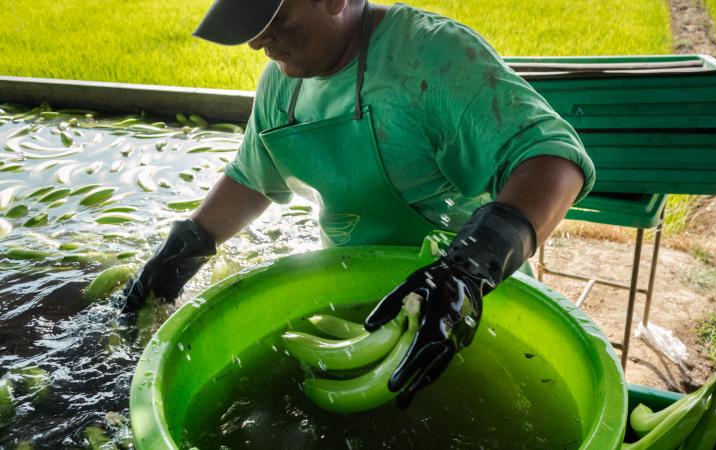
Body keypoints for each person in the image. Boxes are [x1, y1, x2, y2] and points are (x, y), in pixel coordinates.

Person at [121, 0, 595, 408]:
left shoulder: (432, 56)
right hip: (353, 302)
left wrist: (468, 272)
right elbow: (253, 177)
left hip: (464, 307)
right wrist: (185, 247)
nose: (258, 41)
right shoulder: (282, 81)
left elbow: (555, 159)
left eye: (276, 16)